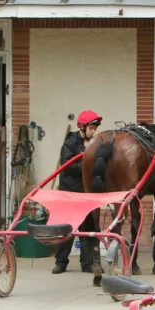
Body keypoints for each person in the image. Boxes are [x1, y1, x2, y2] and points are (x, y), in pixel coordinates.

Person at [52, 110, 103, 279]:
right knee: (67, 229)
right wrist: (87, 164)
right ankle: (60, 263)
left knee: (87, 229)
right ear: (82, 126)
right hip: (70, 192)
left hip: (87, 193)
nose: (93, 131)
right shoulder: (71, 142)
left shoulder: (95, 143)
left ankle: (87, 264)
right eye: (91, 127)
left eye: (95, 128)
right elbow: (68, 165)